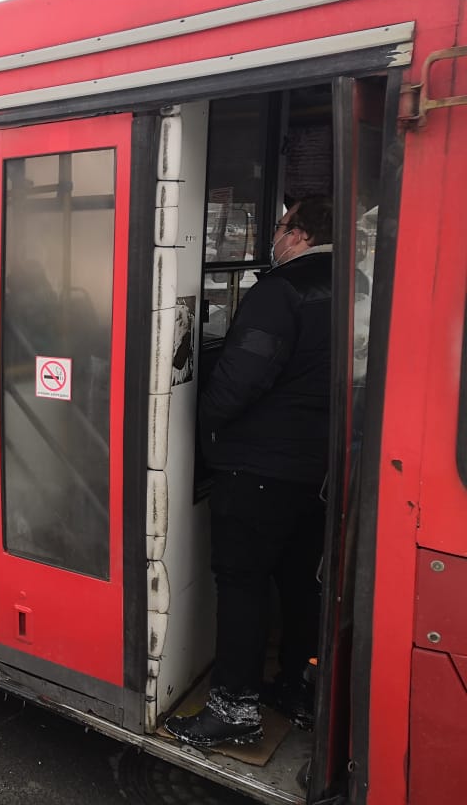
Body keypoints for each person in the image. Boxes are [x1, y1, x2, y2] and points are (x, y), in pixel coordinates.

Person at [166, 196, 333, 747]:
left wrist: (205, 422)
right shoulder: (352, 284)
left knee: (242, 583)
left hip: (259, 466)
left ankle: (233, 705)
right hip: (318, 469)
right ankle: (295, 685)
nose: (276, 237)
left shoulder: (281, 291)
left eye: (282, 227)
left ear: (302, 234)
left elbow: (239, 381)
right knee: (298, 579)